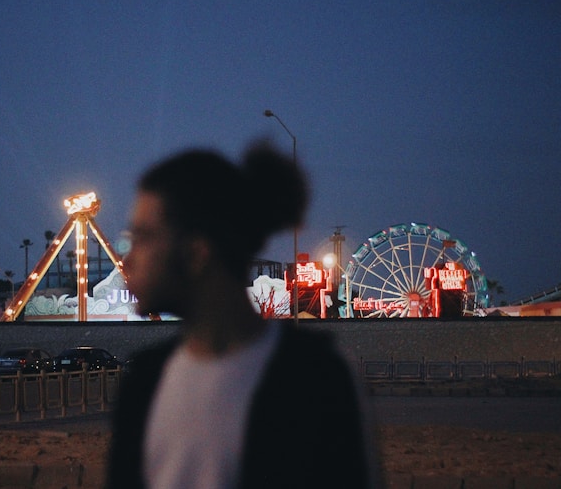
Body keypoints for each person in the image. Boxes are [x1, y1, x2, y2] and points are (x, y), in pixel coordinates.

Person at [106, 140, 379, 489]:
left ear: (196, 252)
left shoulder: (318, 379)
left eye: (143, 237)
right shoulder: (143, 381)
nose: (127, 261)